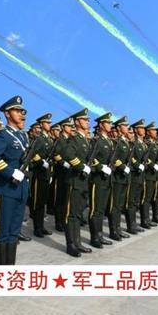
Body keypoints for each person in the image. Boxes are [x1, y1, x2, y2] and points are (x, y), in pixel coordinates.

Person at [0, 95, 29, 265]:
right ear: (7, 113)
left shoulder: (23, 136)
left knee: (14, 230)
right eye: (16, 111)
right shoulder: (2, 135)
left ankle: (10, 267)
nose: (20, 114)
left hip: (21, 188)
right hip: (7, 188)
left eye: (21, 111)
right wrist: (11, 172)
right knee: (3, 231)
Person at [62, 108, 93, 257]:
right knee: (71, 214)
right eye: (85, 120)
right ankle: (71, 245)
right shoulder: (74, 139)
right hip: (74, 181)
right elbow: (67, 154)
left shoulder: (85, 140)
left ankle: (78, 242)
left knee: (78, 214)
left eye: (87, 120)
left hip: (83, 181)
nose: (87, 122)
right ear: (77, 122)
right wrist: (81, 166)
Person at [88, 112, 114, 248]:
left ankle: (100, 235)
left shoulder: (108, 141)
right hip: (97, 180)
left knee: (101, 209)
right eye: (108, 123)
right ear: (101, 125)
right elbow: (90, 158)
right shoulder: (96, 141)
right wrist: (100, 167)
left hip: (106, 180)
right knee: (95, 210)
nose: (110, 125)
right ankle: (94, 238)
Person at [28, 113, 54, 238]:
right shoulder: (39, 138)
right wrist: (41, 162)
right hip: (38, 174)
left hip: (46, 174)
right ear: (42, 124)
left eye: (49, 123)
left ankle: (41, 226)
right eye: (47, 123)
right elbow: (32, 153)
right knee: (37, 202)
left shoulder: (49, 139)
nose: (49, 125)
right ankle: (37, 228)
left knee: (43, 202)